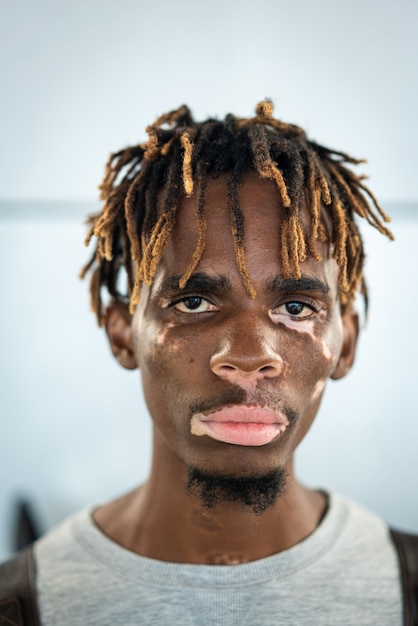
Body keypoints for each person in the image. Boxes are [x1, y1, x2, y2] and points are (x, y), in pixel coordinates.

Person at [1, 101, 417, 625]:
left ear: (346, 342)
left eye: (295, 307)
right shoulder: (17, 601)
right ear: (123, 333)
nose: (248, 356)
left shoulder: (409, 587)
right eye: (193, 302)